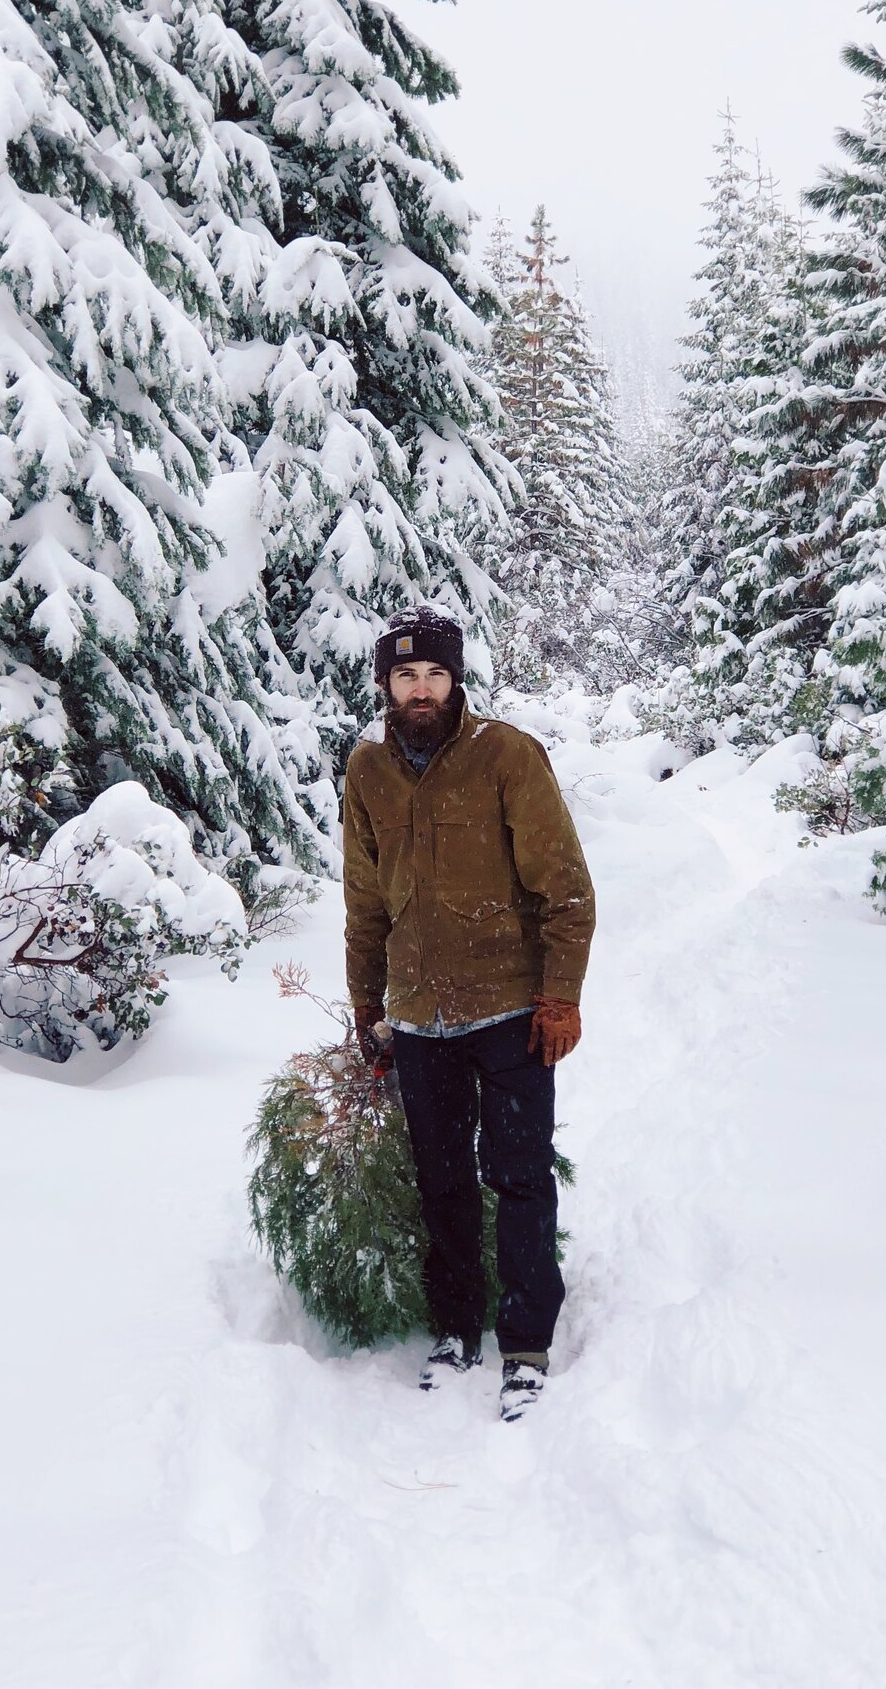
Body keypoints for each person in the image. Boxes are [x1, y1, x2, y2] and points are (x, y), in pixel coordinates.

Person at [342, 606, 596, 1421]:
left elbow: (567, 889)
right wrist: (365, 1002)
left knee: (519, 1178)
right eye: (406, 675)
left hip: (509, 1009)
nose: (421, 690)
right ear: (386, 684)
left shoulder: (505, 756)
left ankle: (525, 1344)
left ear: (457, 682)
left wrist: (560, 995)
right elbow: (363, 901)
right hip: (419, 1017)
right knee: (443, 1182)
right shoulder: (368, 772)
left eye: (435, 675)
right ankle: (455, 1330)